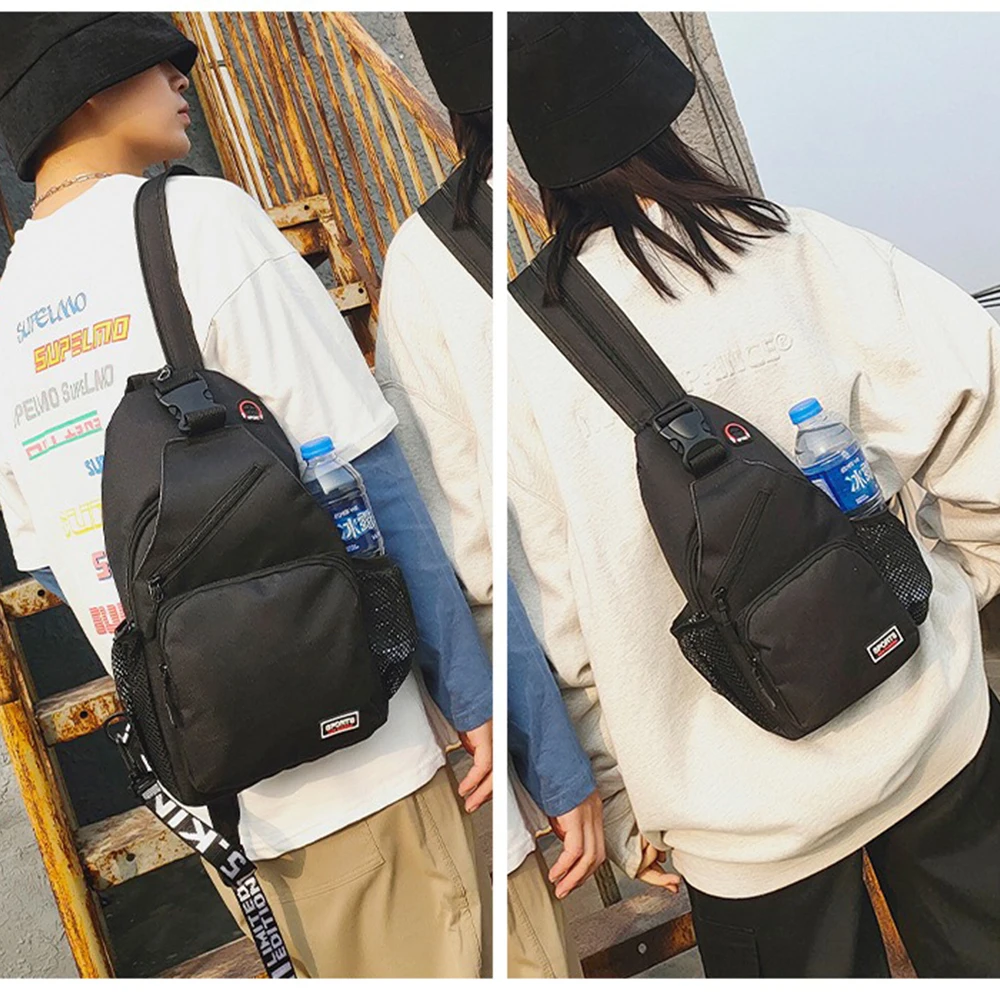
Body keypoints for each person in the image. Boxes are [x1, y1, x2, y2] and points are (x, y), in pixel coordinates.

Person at [507, 12, 1000, 978]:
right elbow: (978, 410)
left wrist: (627, 796)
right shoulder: (789, 246)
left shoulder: (522, 351)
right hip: (927, 727)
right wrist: (959, 589)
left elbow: (559, 617)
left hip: (737, 824)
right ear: (664, 114)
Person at [0, 13, 493, 978]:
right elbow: (365, 481)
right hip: (361, 760)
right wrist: (475, 696)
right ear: (86, 89)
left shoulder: (12, 308)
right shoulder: (197, 220)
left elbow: (57, 559)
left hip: (219, 803)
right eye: (156, 60)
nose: (184, 77)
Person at [377, 12, 603, 979]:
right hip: (644, 704)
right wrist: (574, 758)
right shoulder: (437, 260)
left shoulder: (433, 256)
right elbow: (476, 552)